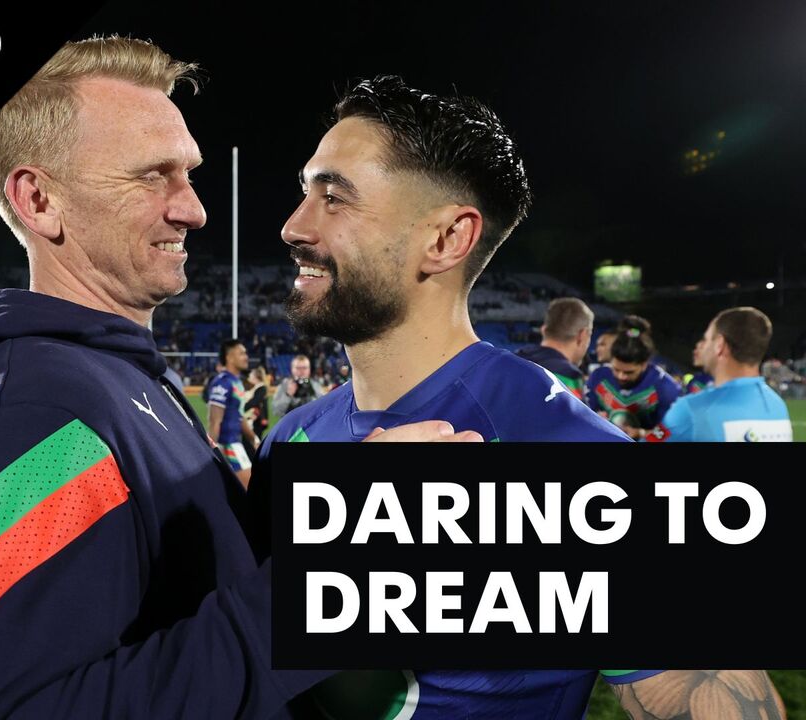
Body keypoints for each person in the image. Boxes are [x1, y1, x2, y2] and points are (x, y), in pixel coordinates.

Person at [0, 37, 470, 720]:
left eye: (188, 174)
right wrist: (329, 583)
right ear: (39, 199)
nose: (192, 209)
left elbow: (166, 565)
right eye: (151, 176)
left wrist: (313, 501)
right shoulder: (29, 415)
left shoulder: (111, 373)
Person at [252, 73, 781, 720]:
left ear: (447, 239)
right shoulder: (292, 440)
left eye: (334, 198)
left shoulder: (569, 461)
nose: (292, 226)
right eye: (304, 192)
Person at [653, 307, 792, 442]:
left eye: (706, 339)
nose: (702, 345)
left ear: (719, 345)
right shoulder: (778, 406)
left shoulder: (691, 410)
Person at [585, 316, 681, 440]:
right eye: (616, 369)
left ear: (644, 364)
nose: (621, 376)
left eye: (629, 372)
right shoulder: (598, 377)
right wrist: (596, 419)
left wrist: (642, 434)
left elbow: (673, 432)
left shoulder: (666, 388)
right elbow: (584, 417)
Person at [514, 298, 594, 399]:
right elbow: (578, 414)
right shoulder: (567, 376)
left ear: (543, 330)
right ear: (582, 336)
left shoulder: (514, 359)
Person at [206, 339, 260, 487]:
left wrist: (253, 439)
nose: (246, 357)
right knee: (251, 490)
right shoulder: (222, 382)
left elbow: (239, 416)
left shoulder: (236, 382)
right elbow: (214, 420)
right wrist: (212, 452)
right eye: (242, 353)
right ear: (229, 357)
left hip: (235, 443)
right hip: (228, 445)